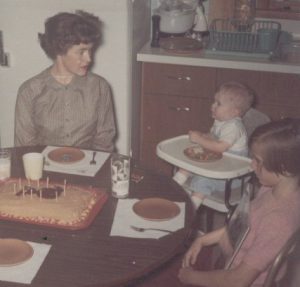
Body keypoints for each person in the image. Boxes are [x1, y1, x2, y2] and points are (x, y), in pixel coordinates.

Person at [178, 118, 300, 287]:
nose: (252, 164)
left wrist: (190, 278)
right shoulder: (272, 189)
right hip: (235, 256)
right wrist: (203, 240)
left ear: (285, 168)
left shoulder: (278, 221)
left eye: (258, 160)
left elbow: (238, 281)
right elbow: (243, 225)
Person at [14, 10, 116, 151]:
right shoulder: (29, 91)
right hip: (43, 170)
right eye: (81, 51)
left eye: (90, 51)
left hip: (89, 167)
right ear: (60, 49)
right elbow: (25, 150)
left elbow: (104, 142)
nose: (89, 58)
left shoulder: (99, 87)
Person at [173, 81, 254, 209]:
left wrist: (199, 140)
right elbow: (213, 137)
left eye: (218, 104)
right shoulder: (220, 121)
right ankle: (173, 188)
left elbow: (220, 147)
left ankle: (191, 209)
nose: (213, 106)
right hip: (217, 162)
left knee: (203, 180)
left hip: (230, 173)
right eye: (214, 102)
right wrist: (203, 136)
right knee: (188, 163)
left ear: (234, 112)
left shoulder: (234, 126)